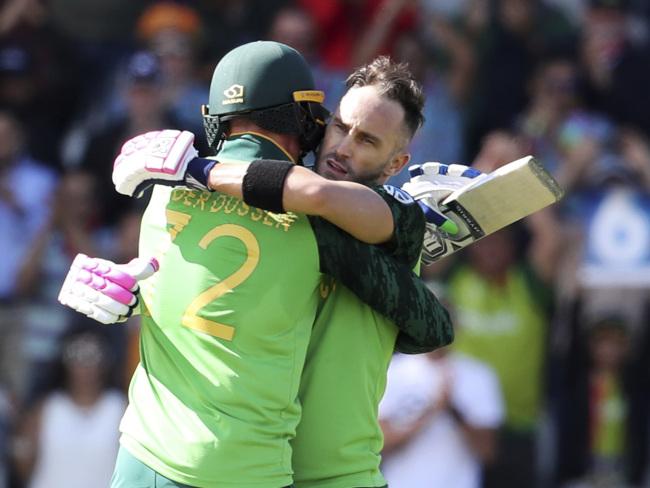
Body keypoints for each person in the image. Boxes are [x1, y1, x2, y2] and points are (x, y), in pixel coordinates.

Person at [61, 41, 453, 488]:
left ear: (396, 165)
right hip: (264, 467)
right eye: (341, 126)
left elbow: (433, 326)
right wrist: (142, 293)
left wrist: (197, 172)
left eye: (366, 140)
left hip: (337, 476)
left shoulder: (385, 216)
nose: (343, 147)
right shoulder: (296, 215)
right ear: (312, 120)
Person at [379, 347, 504, 488]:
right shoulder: (391, 370)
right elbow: (380, 445)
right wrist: (432, 410)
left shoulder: (478, 373)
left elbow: (488, 452)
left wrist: (452, 408)